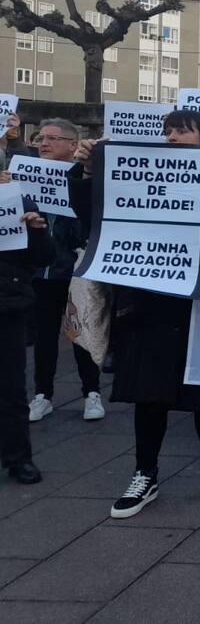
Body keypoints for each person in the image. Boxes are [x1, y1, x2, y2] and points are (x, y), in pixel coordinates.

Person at [75, 111, 200, 519]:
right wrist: (86, 171)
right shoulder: (136, 171)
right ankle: (144, 473)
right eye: (166, 130)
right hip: (149, 303)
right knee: (149, 395)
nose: (170, 137)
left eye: (181, 130)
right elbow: (92, 216)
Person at [6, 119, 103, 425]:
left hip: (74, 266)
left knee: (80, 332)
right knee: (45, 334)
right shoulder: (22, 175)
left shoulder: (86, 178)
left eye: (52, 138)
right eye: (41, 138)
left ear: (74, 145)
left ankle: (91, 393)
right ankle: (43, 395)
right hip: (40, 270)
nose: (43, 143)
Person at [0, 196, 54, 484]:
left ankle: (18, 458)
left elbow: (44, 257)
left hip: (7, 306)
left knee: (11, 387)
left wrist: (36, 231)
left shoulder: (15, 200)